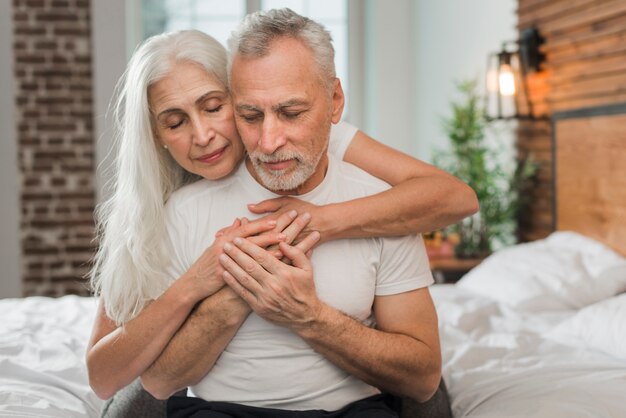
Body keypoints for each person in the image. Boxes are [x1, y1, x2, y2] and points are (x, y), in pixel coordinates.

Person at [87, 20, 473, 417]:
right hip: (205, 392)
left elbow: (454, 197)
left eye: (214, 107)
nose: (202, 136)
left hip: (355, 396)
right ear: (157, 135)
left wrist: (323, 222)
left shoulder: (340, 157)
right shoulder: (166, 209)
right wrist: (214, 286)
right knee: (136, 402)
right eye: (175, 121)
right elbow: (119, 376)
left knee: (425, 393)